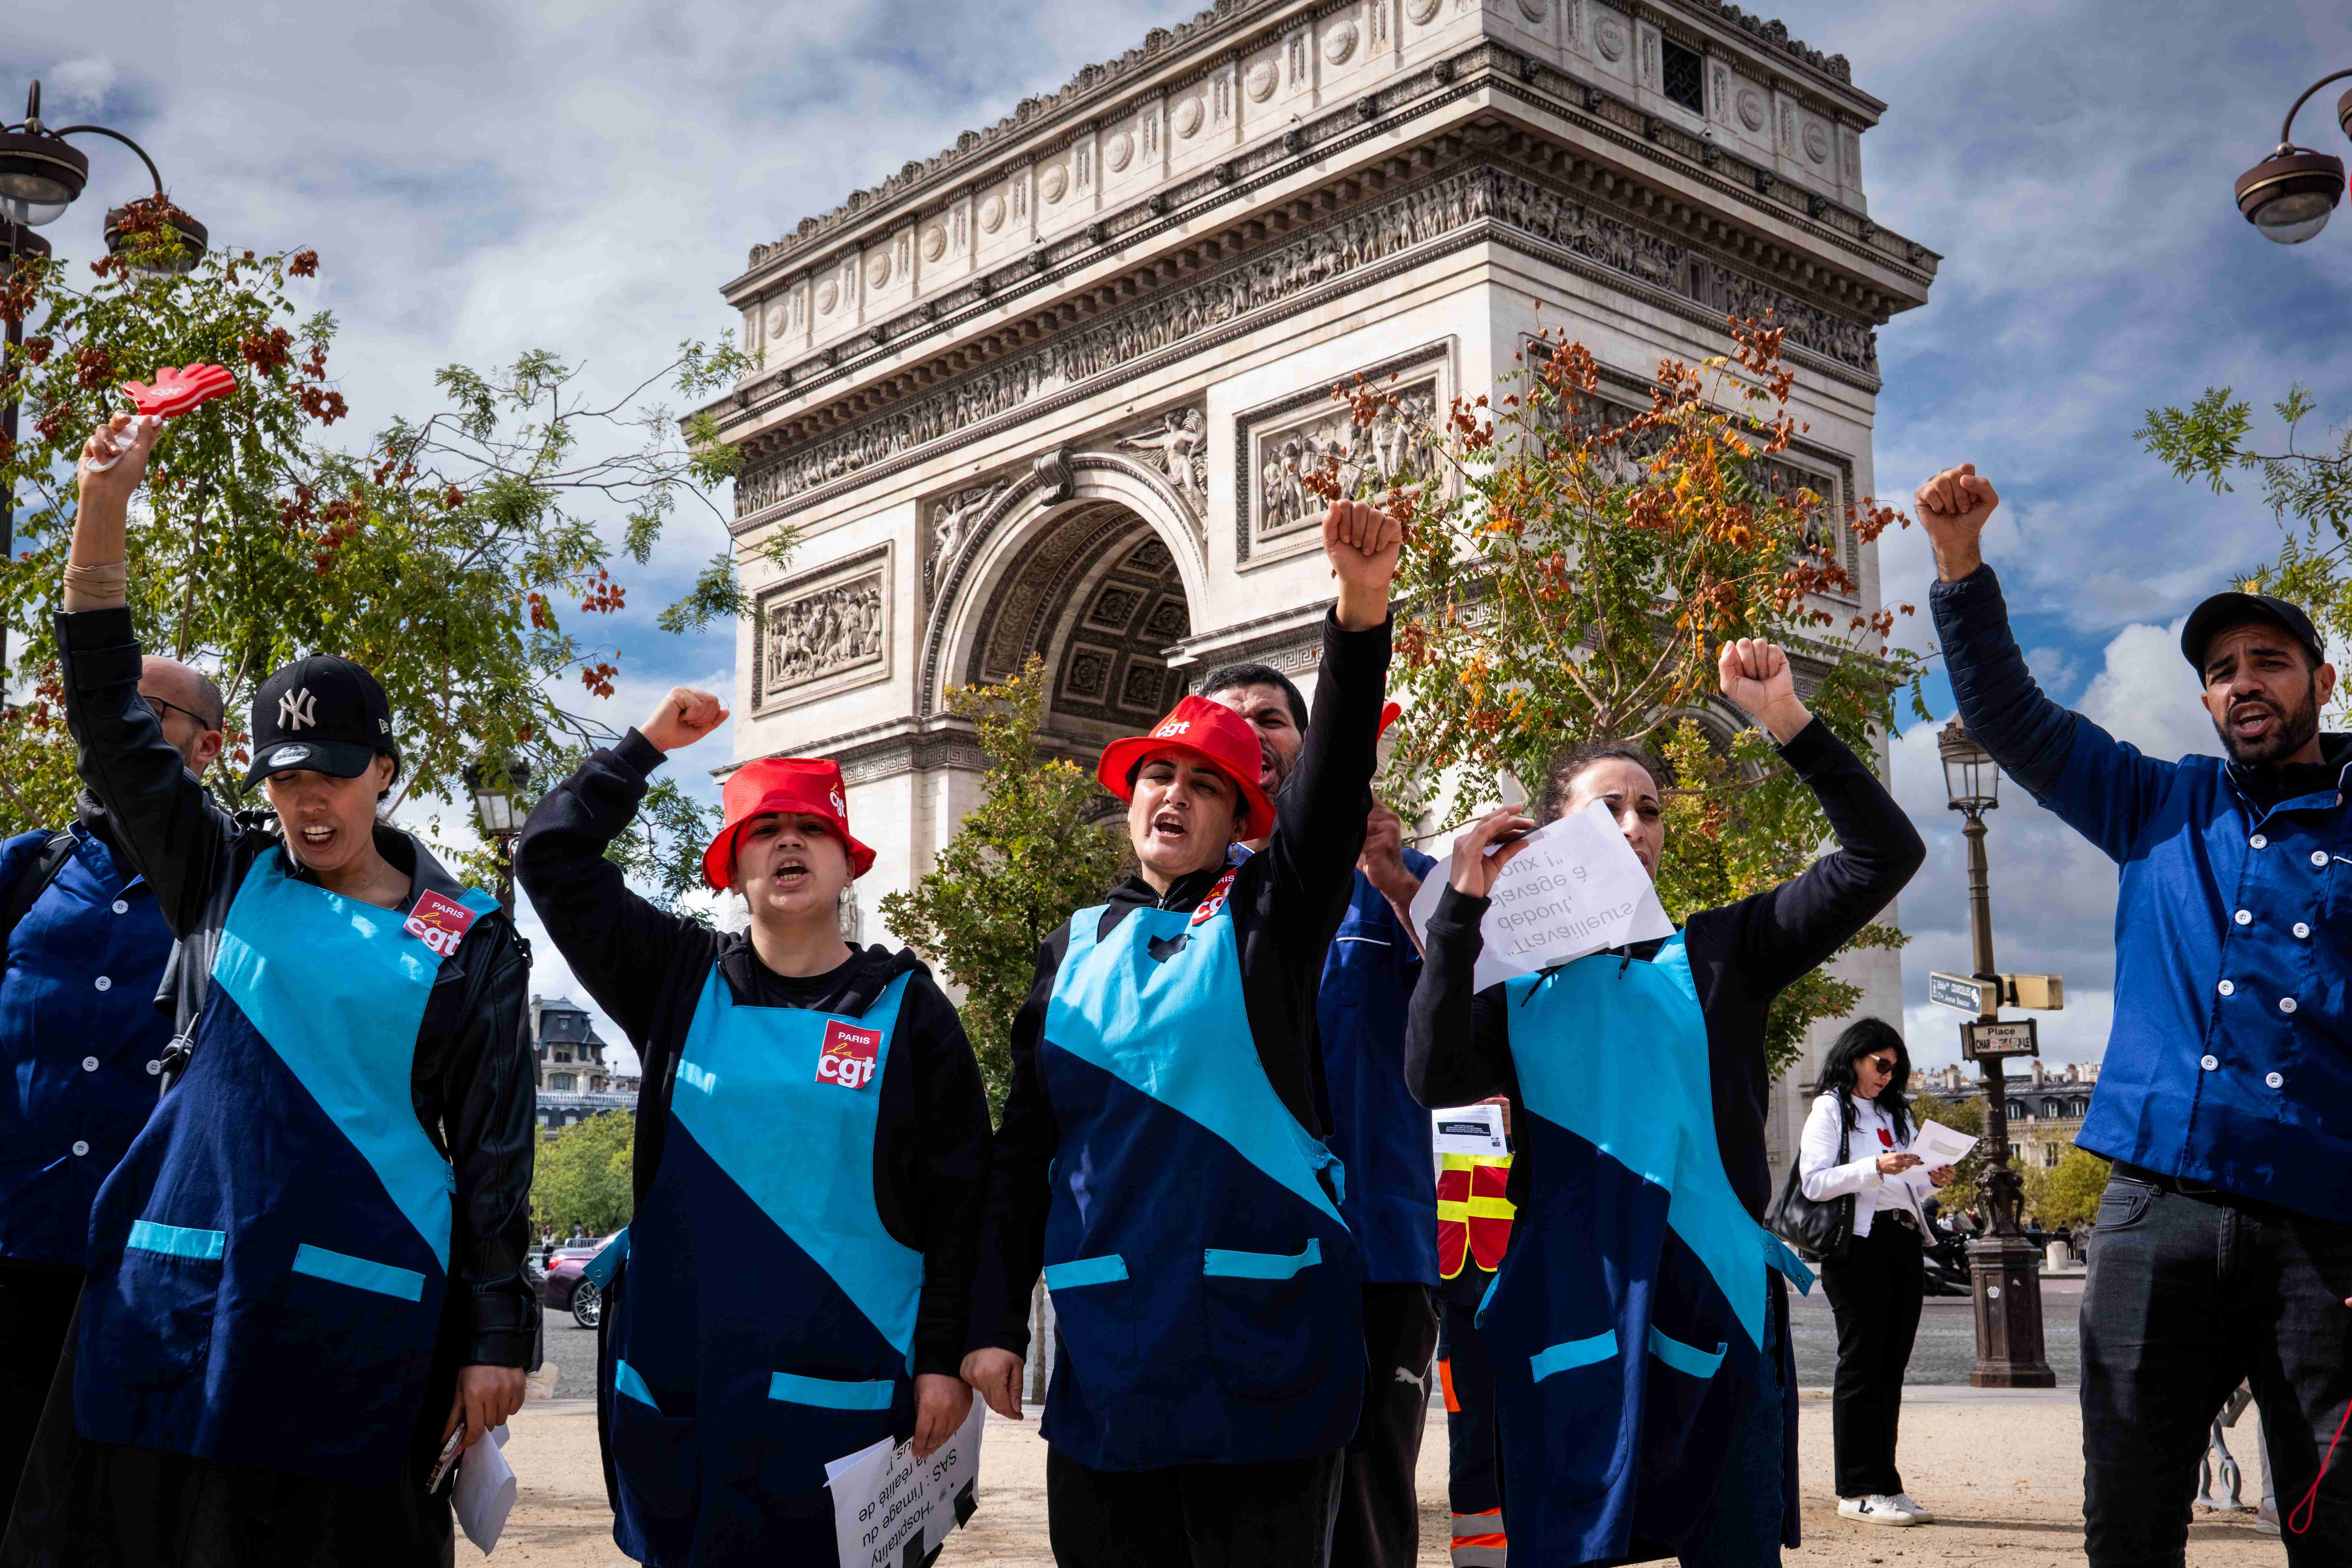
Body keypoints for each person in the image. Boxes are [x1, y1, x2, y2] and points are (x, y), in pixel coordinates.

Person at [1, 412, 538, 1568]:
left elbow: (496, 1154)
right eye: (285, 776)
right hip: (185, 1303)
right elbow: (106, 711)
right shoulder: (218, 871)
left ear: (386, 774)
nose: (309, 802)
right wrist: (103, 504)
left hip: (364, 1312)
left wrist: (499, 1338)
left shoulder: (473, 942)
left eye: (335, 775)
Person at [1405, 639, 1925, 1567]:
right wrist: (1457, 917)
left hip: (1716, 1305)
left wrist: (1788, 724)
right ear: (1548, 833)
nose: (1635, 825)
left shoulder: (1723, 953)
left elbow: (1884, 853)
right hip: (1569, 1304)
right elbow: (1432, 1075)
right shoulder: (1507, 989)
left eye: (1649, 810)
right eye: (1608, 807)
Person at [1917, 461, 2352, 1564]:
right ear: (2205, 700)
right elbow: (2011, 718)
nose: (2243, 682)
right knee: (2128, 1516)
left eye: (2268, 661)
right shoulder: (2157, 801)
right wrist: (1960, 565)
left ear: (2323, 680)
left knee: (2336, 1517)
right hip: (2152, 1210)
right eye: (2220, 670)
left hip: (2324, 1228)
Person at [962, 499, 1401, 1568]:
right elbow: (1024, 1150)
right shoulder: (1072, 949)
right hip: (1111, 1368)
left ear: (1246, 818)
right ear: (1128, 796)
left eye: (1206, 783)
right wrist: (991, 1322)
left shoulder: (1276, 918)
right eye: (1158, 773)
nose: (1173, 793)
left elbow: (1335, 786)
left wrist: (1360, 610)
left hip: (1266, 1361)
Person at [516, 691, 990, 1568]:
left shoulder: (911, 1013)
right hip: (686, 1402)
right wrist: (646, 746)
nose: (786, 844)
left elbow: (963, 1204)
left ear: (848, 864)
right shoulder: (674, 978)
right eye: (762, 831)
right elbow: (549, 855)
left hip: (852, 1400)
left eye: (809, 829)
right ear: (731, 870)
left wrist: (943, 1360)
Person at [1202, 662, 1439, 1568]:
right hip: (1232, 1254)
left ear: (1316, 744)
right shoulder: (1191, 905)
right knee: (1248, 1510)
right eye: (1227, 724)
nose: (1253, 737)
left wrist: (1397, 887)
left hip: (1377, 1249)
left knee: (1369, 1514)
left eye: (1272, 719)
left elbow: (1482, 1016)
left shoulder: (1393, 877)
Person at [0, 659, 222, 1519]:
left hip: (148, 1286)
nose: (116, 723)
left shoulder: (227, 889)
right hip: (13, 1264)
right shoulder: (27, 872)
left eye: (148, 710)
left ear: (211, 744)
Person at [1796, 1018, 1952, 1528]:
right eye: (1880, 1064)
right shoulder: (1831, 1107)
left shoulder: (1895, 1112)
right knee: (1863, 1365)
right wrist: (1875, 1167)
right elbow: (1815, 1182)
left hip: (1903, 1237)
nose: (1887, 1075)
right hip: (1856, 1245)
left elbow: (1905, 1186)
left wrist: (1932, 1181)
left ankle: (1886, 1484)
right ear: (1855, 1057)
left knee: (1891, 1366)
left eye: (1895, 1068)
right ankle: (1857, 1489)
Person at [1433, 1099, 1515, 1568]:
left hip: (1526, 1271)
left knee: (1538, 1435)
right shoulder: (1437, 1053)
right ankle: (1479, 1565)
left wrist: (1521, 1119)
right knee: (1471, 1443)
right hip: (1457, 1277)